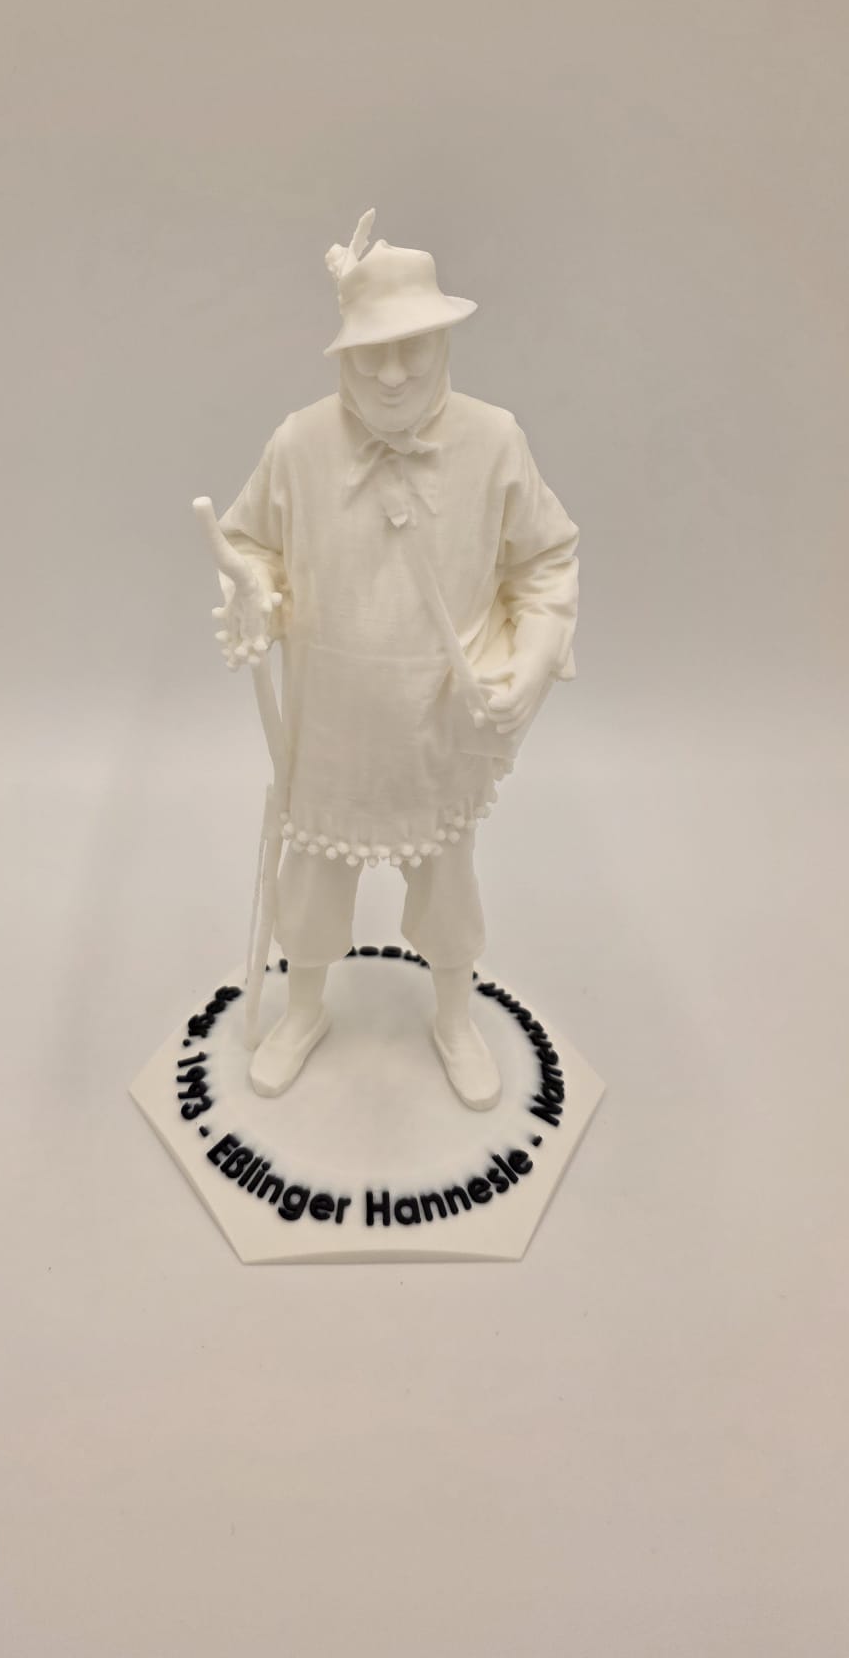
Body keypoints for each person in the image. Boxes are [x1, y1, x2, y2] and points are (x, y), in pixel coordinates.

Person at [213, 209, 579, 1109]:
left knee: (447, 887)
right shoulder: (298, 444)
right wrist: (253, 590)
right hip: (329, 726)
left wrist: (532, 661)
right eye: (370, 352)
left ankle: (453, 1014)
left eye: (410, 348)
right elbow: (249, 542)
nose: (390, 373)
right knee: (310, 885)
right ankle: (305, 1008)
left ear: (442, 340)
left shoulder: (494, 441)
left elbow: (545, 560)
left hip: (436, 724)